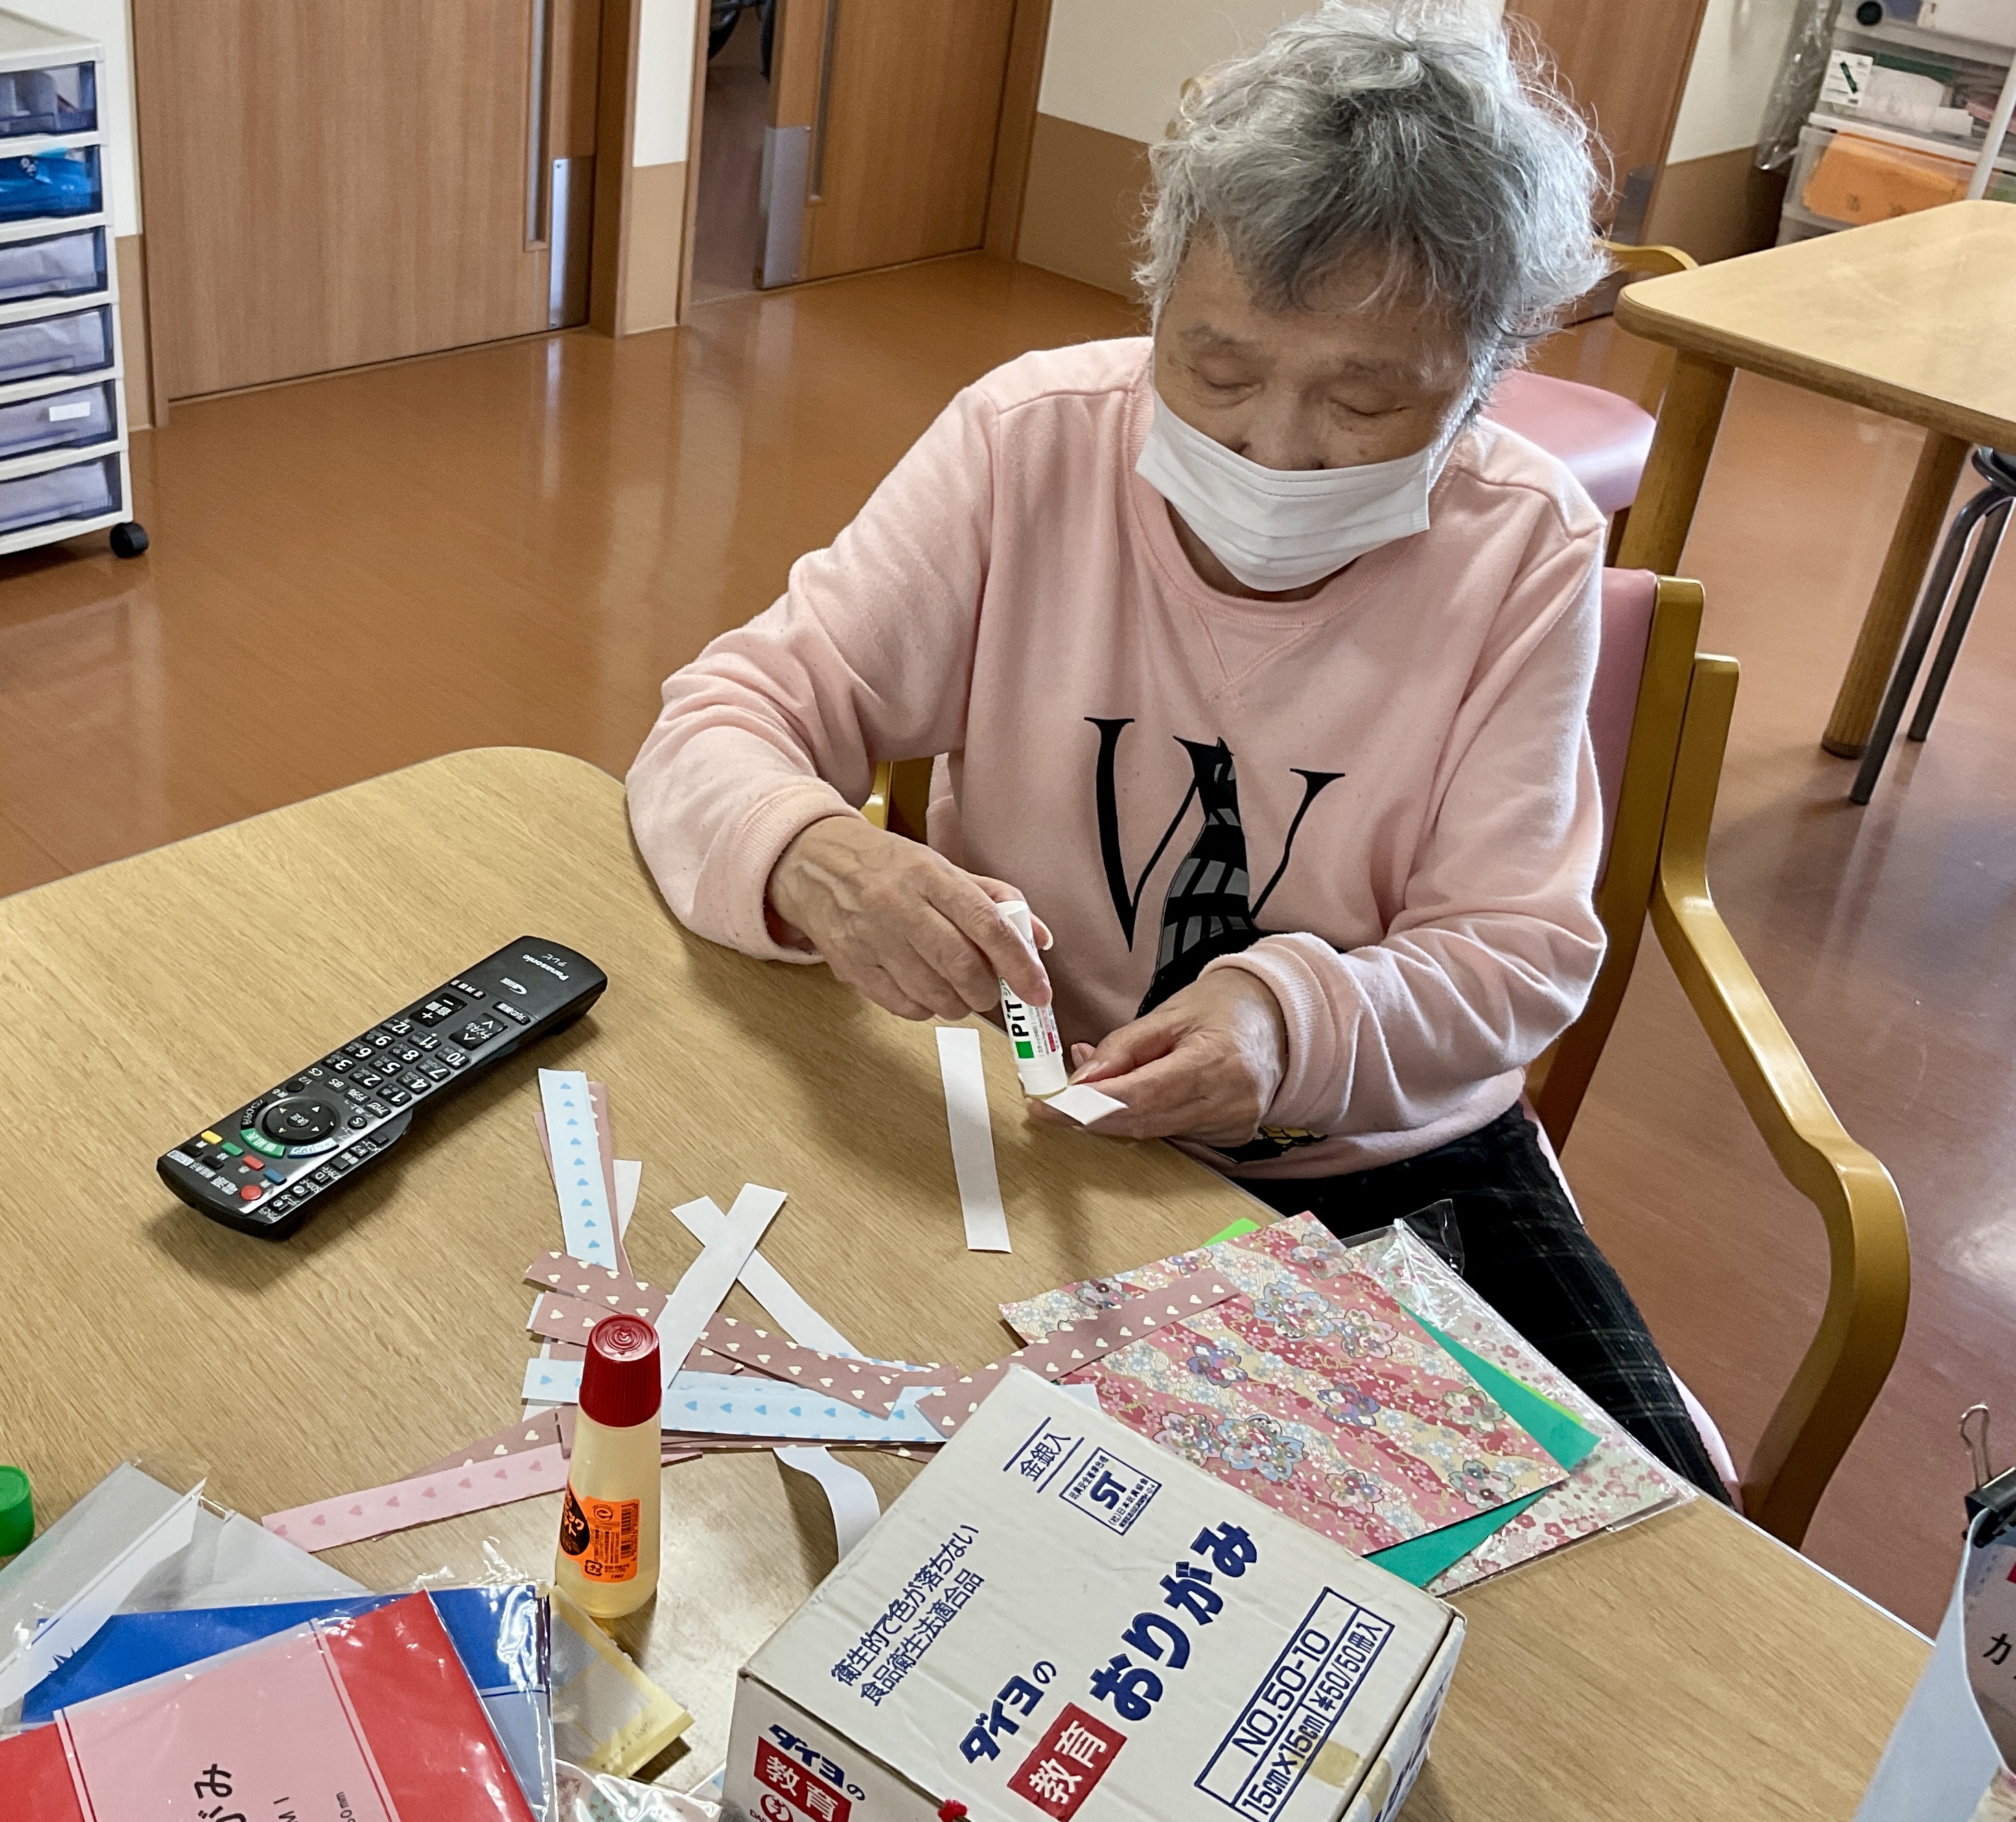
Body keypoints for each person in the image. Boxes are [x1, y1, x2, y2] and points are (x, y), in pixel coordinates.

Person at [627, 1, 1728, 1497]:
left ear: (1481, 378)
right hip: (1023, 1123)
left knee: (1636, 1546)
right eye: (1214, 373)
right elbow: (722, 719)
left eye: (1365, 399)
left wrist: (1287, 1024)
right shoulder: (1028, 442)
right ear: (1156, 306)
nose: (1274, 446)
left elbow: (1517, 954)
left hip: (1371, 1157)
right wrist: (816, 854)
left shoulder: (1520, 541)